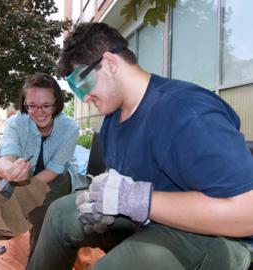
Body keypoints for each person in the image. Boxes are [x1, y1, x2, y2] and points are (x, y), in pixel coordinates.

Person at [27, 22, 253, 270]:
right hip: (151, 222)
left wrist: (137, 200)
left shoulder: (187, 114)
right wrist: (103, 198)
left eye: (83, 86)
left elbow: (247, 214)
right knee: (61, 214)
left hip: (224, 239)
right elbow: (122, 176)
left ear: (111, 63)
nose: (85, 97)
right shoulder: (113, 118)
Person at [0, 73, 79, 259]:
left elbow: (55, 169)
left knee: (43, 207)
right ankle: (9, 223)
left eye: (46, 106)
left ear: (56, 103)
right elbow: (5, 157)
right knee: (1, 194)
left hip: (56, 178)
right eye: (32, 106)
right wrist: (8, 169)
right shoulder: (15, 123)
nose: (39, 112)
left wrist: (26, 195)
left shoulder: (70, 128)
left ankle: (38, 258)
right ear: (25, 104)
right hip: (23, 177)